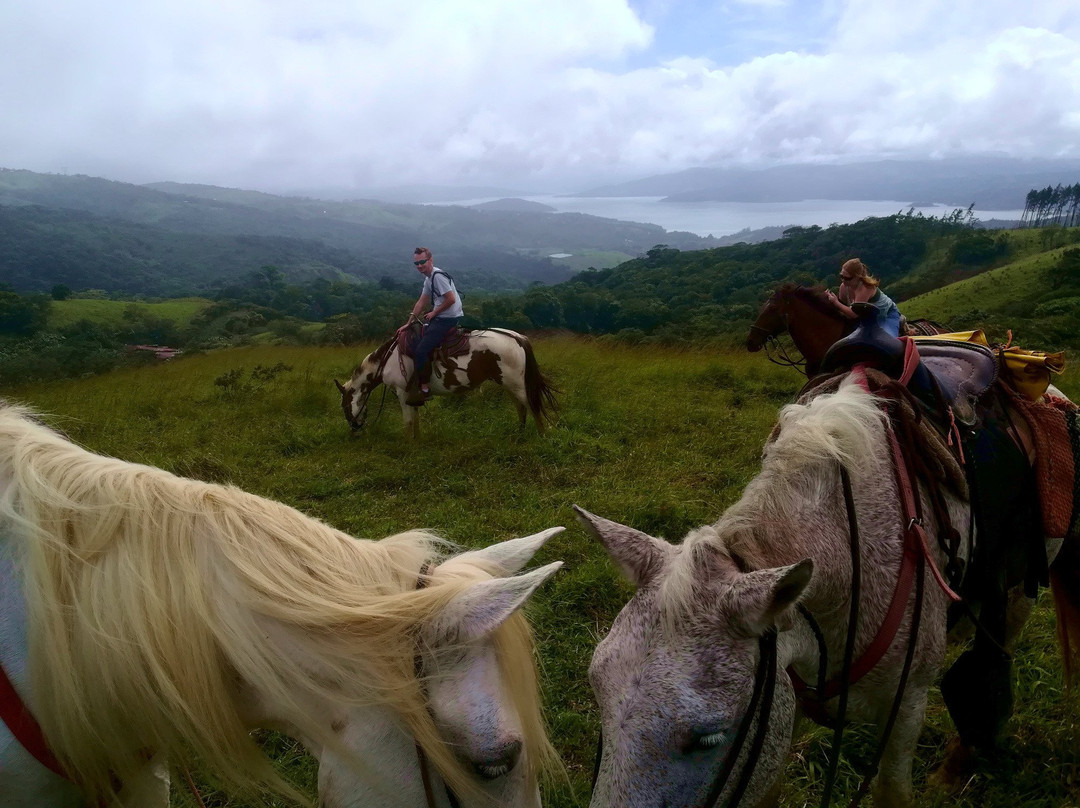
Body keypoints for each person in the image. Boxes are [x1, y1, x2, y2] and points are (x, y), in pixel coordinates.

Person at [399, 246, 464, 405]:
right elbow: (421, 302)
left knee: (421, 350)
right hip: (440, 317)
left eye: (422, 262)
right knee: (416, 338)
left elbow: (451, 299)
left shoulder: (437, 277)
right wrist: (408, 323)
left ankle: (425, 389)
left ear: (430, 260)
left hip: (446, 319)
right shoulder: (428, 279)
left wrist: (434, 313)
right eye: (416, 263)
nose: (419, 266)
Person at [825, 257, 902, 337]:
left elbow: (854, 314)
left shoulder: (865, 288)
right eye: (841, 276)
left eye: (847, 278)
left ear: (858, 277)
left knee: (885, 341)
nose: (843, 280)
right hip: (866, 319)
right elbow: (843, 309)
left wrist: (835, 302)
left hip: (886, 315)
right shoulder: (844, 287)